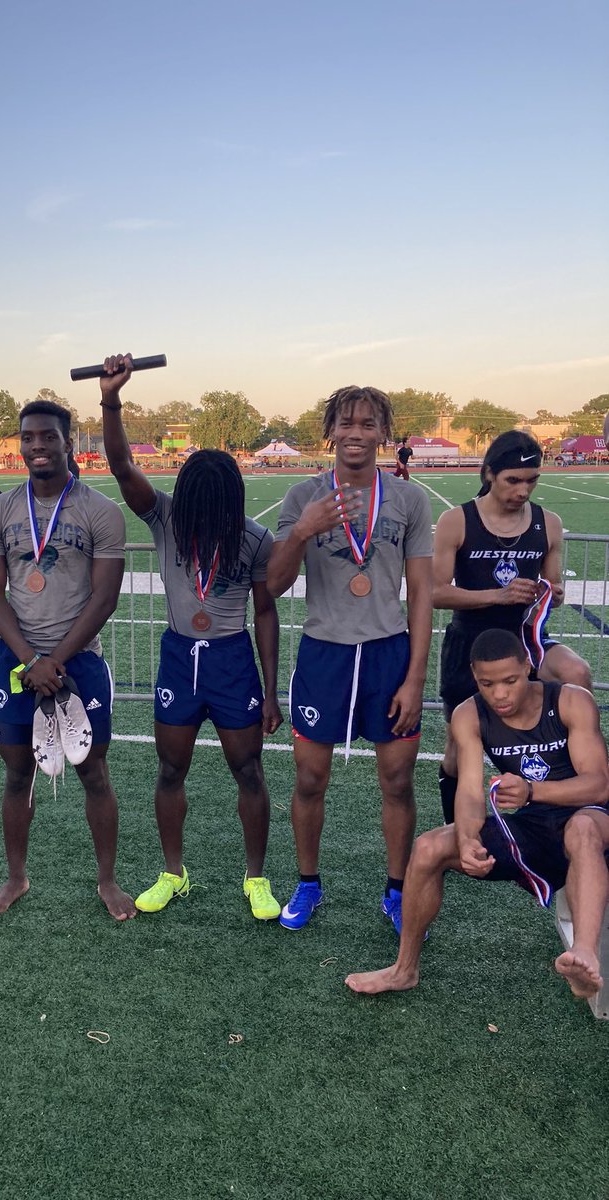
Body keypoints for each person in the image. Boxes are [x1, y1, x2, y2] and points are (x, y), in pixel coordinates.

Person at [100, 354, 284, 920]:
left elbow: (266, 613)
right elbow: (122, 466)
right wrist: (111, 399)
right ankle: (172, 872)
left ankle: (256, 878)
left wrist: (273, 691)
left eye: (213, 511)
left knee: (248, 770)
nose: (201, 521)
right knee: (170, 769)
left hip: (232, 662)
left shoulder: (252, 539)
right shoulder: (166, 517)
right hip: (180, 657)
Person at [345, 628, 609, 1000]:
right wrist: (468, 839)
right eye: (487, 683)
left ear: (529, 667)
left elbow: (598, 785)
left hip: (591, 819)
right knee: (428, 848)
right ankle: (404, 970)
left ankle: (583, 955)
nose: (499, 694)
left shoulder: (570, 701)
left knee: (581, 828)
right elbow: (469, 791)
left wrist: (534, 790)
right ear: (474, 676)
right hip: (532, 826)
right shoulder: (469, 714)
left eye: (510, 681)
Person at [267, 385, 433, 933]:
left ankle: (396, 890)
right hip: (325, 655)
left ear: (383, 433)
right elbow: (272, 583)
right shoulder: (303, 495)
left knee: (397, 781)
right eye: (346, 423)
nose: (356, 434)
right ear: (330, 431)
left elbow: (422, 596)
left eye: (367, 424)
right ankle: (308, 884)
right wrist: (303, 531)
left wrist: (414, 678)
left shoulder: (408, 500)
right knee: (310, 779)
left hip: (388, 653)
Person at [0, 398, 136, 921]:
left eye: (47, 436)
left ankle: (107, 880)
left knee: (94, 772)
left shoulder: (100, 511)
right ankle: (16, 877)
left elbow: (104, 597)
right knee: (18, 774)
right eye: (28, 437)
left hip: (80, 661)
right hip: (18, 662)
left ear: (69, 441)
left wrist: (55, 661)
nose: (37, 446)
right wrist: (29, 661)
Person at [435, 430, 592, 824]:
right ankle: (456, 825)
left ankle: (574, 799)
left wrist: (552, 592)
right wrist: (497, 595)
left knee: (576, 673)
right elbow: (435, 593)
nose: (523, 490)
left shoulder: (548, 523)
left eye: (532, 480)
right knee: (458, 744)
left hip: (526, 640)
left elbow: (553, 586)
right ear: (489, 474)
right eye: (513, 480)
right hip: (471, 641)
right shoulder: (457, 520)